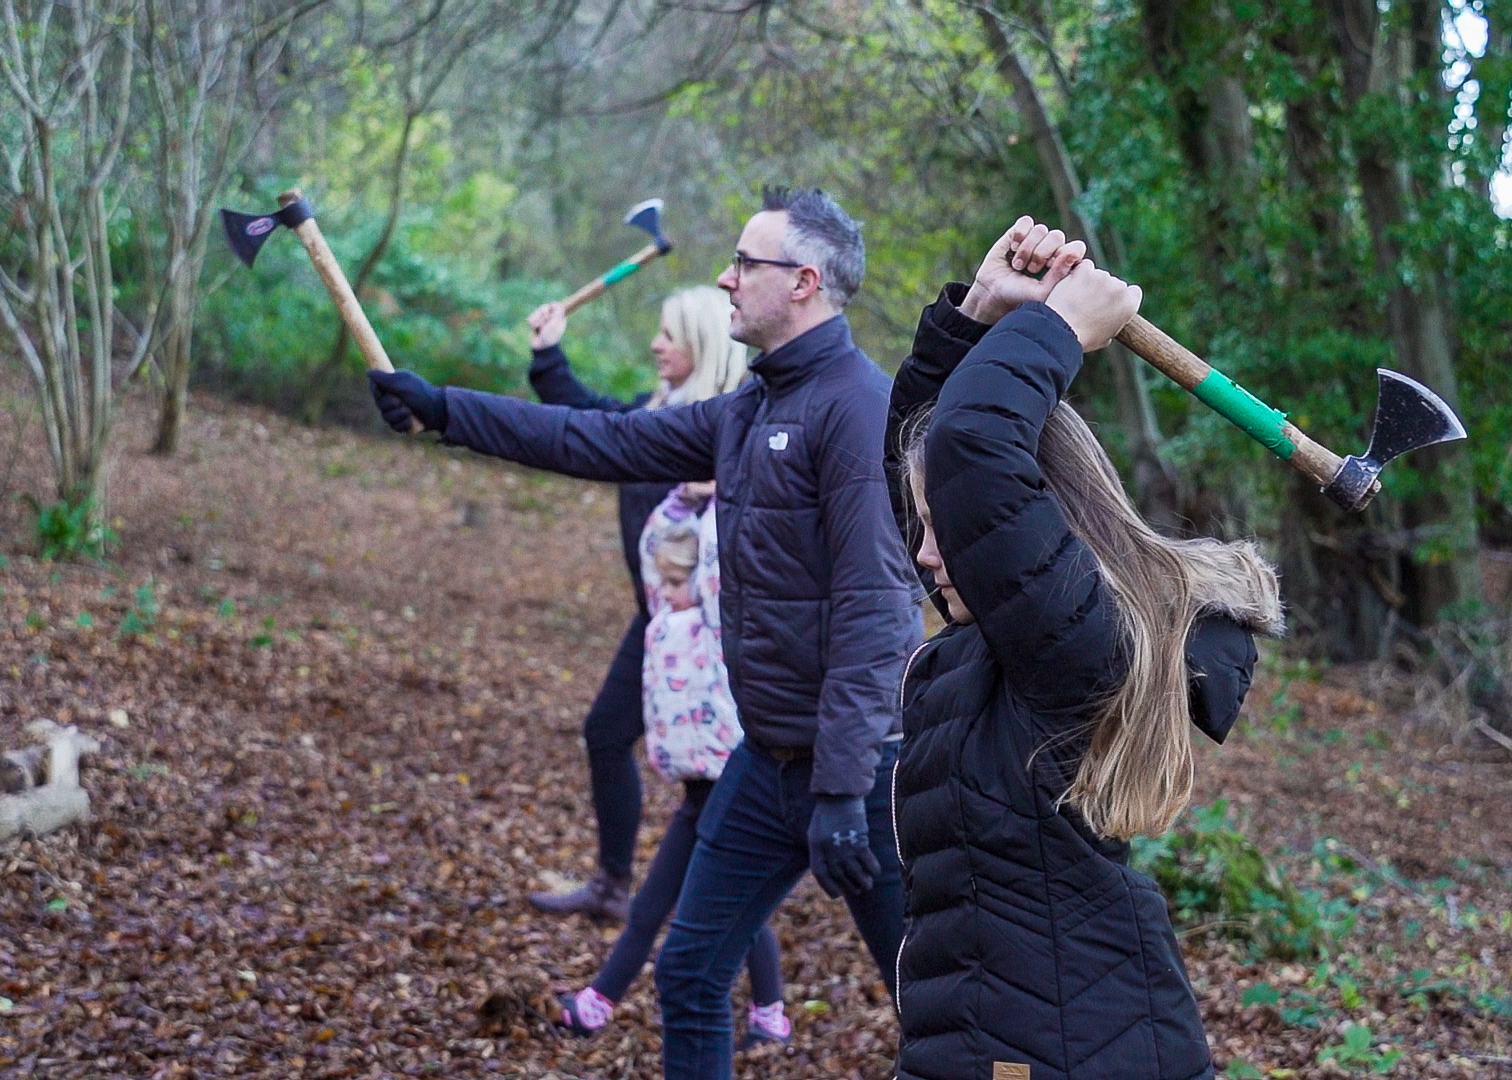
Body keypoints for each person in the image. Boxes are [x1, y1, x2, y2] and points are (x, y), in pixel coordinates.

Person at [369, 187, 919, 1080]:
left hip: (866, 777)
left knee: (933, 1002)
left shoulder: (855, 409)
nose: (725, 277)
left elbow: (878, 608)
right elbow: (600, 440)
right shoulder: (750, 407)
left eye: (746, 263)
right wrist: (445, 410)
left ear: (806, 282)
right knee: (693, 974)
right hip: (769, 761)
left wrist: (844, 790)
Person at [883, 218, 1284, 1080]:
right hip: (1004, 1037)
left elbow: (969, 455)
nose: (923, 550)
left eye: (941, 528)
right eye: (923, 524)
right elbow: (937, 459)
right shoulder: (1001, 639)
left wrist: (1060, 329)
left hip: (1071, 1053)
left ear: (1045, 524)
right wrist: (980, 316)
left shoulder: (1071, 649)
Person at [522, 285, 748, 922]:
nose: (656, 344)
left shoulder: (721, 429)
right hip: (657, 625)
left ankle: (728, 931)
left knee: (715, 784)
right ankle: (615, 885)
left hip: (714, 636)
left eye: (669, 334)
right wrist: (548, 357)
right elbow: (589, 423)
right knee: (606, 735)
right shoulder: (660, 414)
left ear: (702, 343)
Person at [556, 486, 791, 1048]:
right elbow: (654, 546)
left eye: (672, 582)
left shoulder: (715, 622)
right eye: (658, 583)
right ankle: (601, 1004)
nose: (659, 591)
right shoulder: (665, 615)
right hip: (696, 792)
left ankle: (764, 1014)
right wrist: (681, 500)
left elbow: (710, 555)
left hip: (732, 788)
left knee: (722, 909)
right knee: (666, 907)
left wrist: (716, 500)